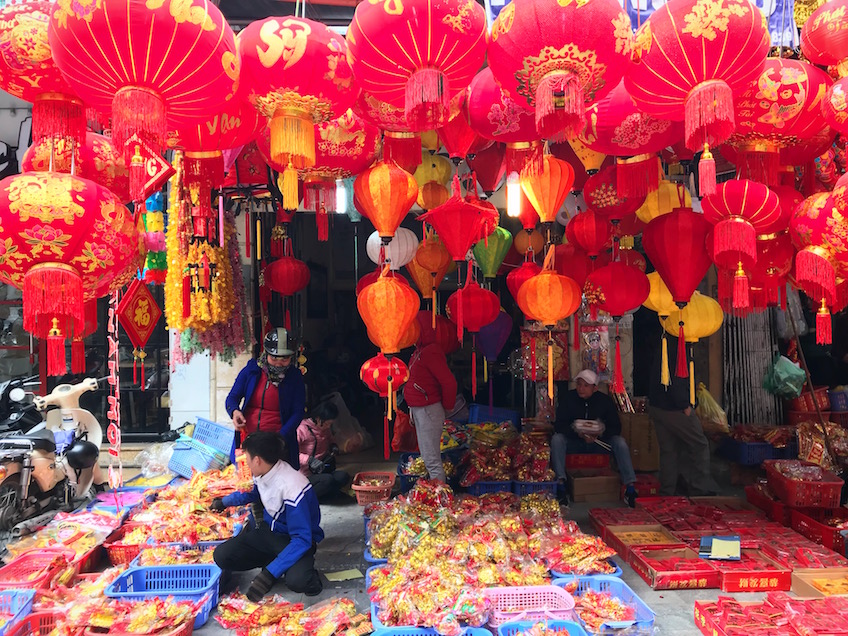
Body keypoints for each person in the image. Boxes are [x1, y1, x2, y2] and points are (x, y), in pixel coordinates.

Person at [212, 432, 323, 601]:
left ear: (257, 460)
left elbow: (302, 539)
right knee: (222, 555)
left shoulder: (291, 486)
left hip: (295, 540)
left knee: (298, 582)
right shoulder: (266, 471)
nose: (246, 464)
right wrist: (224, 502)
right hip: (269, 533)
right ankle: (276, 562)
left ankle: (307, 576)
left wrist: (268, 576)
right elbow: (253, 493)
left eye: (247, 459)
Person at [552, 369, 638, 507]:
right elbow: (559, 425)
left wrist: (600, 432)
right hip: (575, 442)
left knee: (620, 442)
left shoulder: (605, 401)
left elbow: (616, 427)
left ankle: (630, 487)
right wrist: (577, 432)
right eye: (579, 384)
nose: (581, 388)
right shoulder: (568, 399)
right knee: (557, 440)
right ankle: (561, 486)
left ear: (595, 388)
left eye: (586, 386)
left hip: (599, 442)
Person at [226, 328, 305, 469]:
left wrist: (280, 437)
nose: (278, 363)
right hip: (248, 440)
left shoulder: (295, 377)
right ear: (266, 353)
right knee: (247, 484)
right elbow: (232, 398)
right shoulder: (251, 371)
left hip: (278, 445)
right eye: (274, 358)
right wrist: (234, 412)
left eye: (284, 359)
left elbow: (298, 412)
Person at [649, 336, 718, 496]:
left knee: (669, 450)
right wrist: (685, 405)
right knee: (700, 445)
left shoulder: (665, 342)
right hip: (674, 407)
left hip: (657, 405)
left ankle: (667, 492)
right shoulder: (679, 347)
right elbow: (677, 380)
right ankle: (699, 490)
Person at [404, 313, 457, 483]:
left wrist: (448, 406)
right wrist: (412, 409)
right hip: (421, 409)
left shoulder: (430, 351)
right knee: (427, 456)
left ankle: (440, 498)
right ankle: (435, 493)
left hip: (429, 410)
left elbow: (449, 382)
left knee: (431, 459)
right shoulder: (419, 350)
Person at [297, 401, 350, 501]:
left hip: (321, 470)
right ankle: (309, 498)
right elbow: (291, 452)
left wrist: (333, 446)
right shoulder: (302, 430)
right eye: (328, 423)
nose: (329, 426)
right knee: (327, 480)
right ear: (318, 418)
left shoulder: (324, 428)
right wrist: (309, 460)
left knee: (343, 476)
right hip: (305, 475)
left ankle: (326, 494)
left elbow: (330, 439)